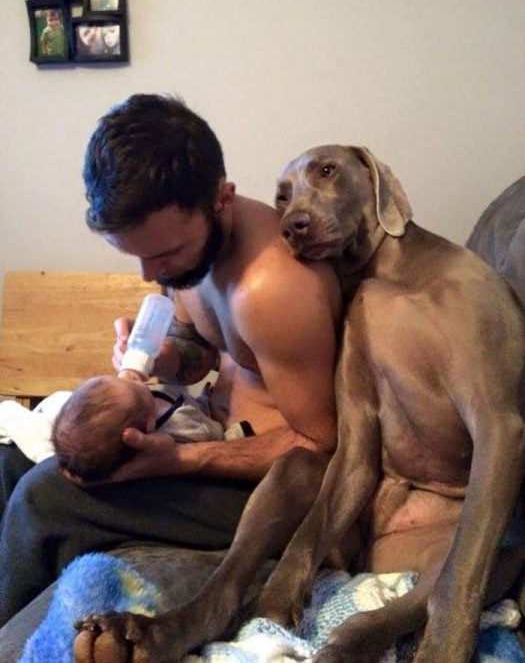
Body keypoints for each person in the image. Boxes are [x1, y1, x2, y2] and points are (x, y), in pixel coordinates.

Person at [0, 94, 341, 626]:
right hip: (208, 432)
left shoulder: (272, 291)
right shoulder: (193, 247)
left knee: (45, 496)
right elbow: (200, 349)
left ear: (221, 198)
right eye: (135, 254)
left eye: (162, 256)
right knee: (8, 465)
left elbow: (323, 446)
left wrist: (176, 461)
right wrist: (164, 357)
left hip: (275, 493)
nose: (147, 273)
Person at [52, 375, 252, 482]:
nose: (137, 380)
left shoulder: (141, 407)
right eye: (135, 387)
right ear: (150, 425)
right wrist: (208, 410)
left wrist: (201, 399)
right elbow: (212, 433)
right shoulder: (180, 424)